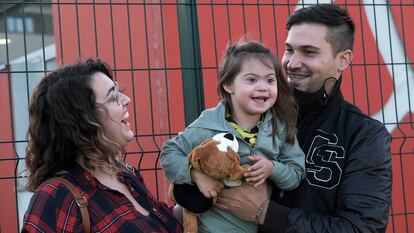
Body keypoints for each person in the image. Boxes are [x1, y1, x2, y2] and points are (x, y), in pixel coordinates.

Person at [215, 4, 392, 233]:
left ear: (343, 60)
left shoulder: (364, 136)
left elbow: (361, 228)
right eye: (289, 49)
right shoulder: (250, 111)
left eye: (309, 52)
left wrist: (265, 213)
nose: (292, 62)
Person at [21, 59, 183, 233]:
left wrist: (200, 188)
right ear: (82, 120)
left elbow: (163, 225)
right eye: (113, 97)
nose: (126, 99)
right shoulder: (56, 196)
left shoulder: (125, 174)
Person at [160, 40, 305, 233]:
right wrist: (196, 175)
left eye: (270, 80)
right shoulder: (208, 123)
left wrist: (273, 168)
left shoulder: (280, 128)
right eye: (252, 80)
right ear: (229, 85)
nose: (263, 87)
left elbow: (296, 172)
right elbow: (169, 153)